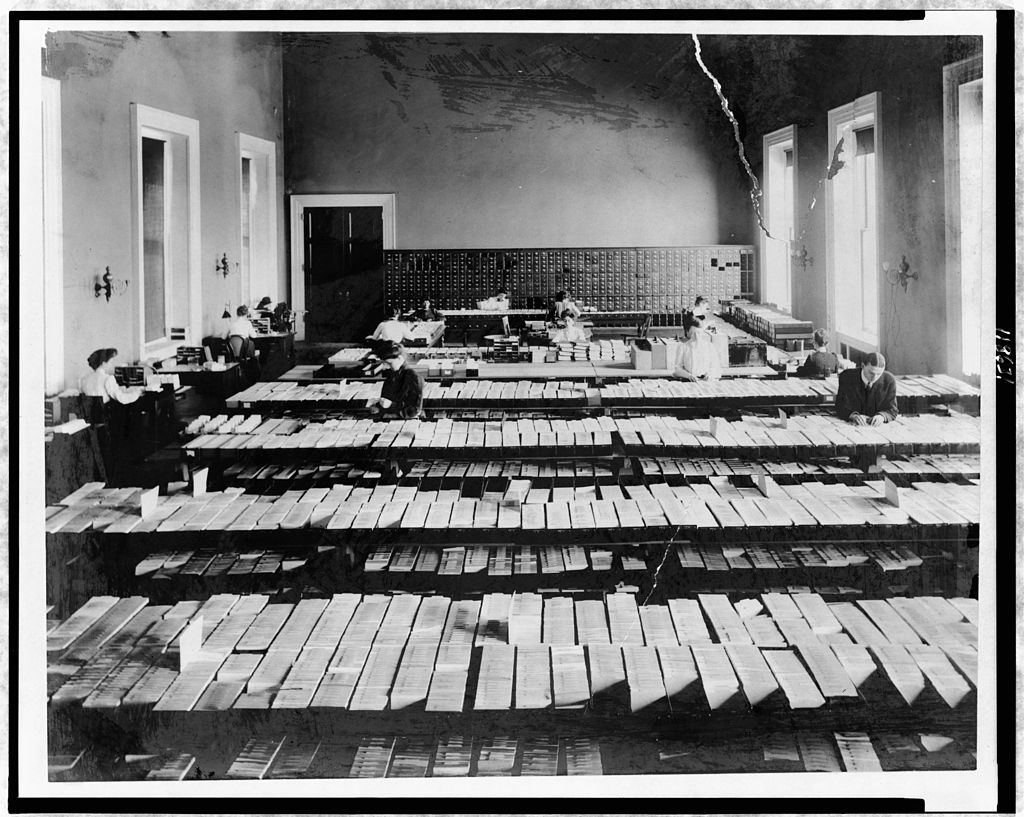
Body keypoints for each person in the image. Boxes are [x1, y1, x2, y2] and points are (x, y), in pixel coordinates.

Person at [836, 351, 898, 426]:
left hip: (875, 426)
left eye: (879, 374)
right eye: (871, 373)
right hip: (852, 426)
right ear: (863, 366)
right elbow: (840, 406)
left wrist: (882, 416)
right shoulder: (847, 377)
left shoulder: (889, 380)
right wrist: (852, 415)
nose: (874, 378)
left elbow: (892, 410)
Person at [367, 342, 424, 420]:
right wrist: (378, 406)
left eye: (389, 363)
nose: (386, 367)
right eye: (384, 364)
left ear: (399, 358)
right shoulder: (393, 372)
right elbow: (387, 397)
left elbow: (414, 410)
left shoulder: (414, 377)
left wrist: (391, 405)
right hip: (390, 416)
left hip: (405, 420)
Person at [673, 313, 722, 381]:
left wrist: (709, 375)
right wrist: (688, 376)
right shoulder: (683, 347)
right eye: (694, 334)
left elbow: (717, 368)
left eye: (699, 333)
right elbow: (677, 369)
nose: (697, 337)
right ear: (687, 332)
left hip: (707, 382)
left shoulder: (709, 347)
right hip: (689, 381)